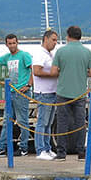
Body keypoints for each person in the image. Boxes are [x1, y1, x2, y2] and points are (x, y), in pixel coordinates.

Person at [51, 25, 91, 161]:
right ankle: (81, 152)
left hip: (63, 92)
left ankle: (61, 153)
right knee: (80, 123)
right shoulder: (87, 52)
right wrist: (82, 72)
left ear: (68, 36)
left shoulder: (61, 51)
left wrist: (64, 71)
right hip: (80, 92)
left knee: (62, 123)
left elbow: (53, 72)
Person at [0, 33, 33, 155]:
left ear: (17, 43)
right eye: (10, 43)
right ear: (6, 44)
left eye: (14, 43)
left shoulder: (24, 55)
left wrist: (29, 85)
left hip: (21, 92)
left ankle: (24, 147)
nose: (12, 45)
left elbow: (33, 70)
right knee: (7, 121)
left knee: (22, 121)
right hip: (11, 92)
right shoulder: (8, 57)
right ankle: (1, 147)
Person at [29, 29, 60, 160]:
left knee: (49, 123)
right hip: (44, 92)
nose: (55, 43)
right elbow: (36, 71)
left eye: (56, 40)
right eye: (53, 40)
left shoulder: (50, 54)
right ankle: (40, 149)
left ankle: (47, 148)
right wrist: (52, 74)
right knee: (42, 122)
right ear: (46, 39)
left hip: (52, 91)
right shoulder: (39, 53)